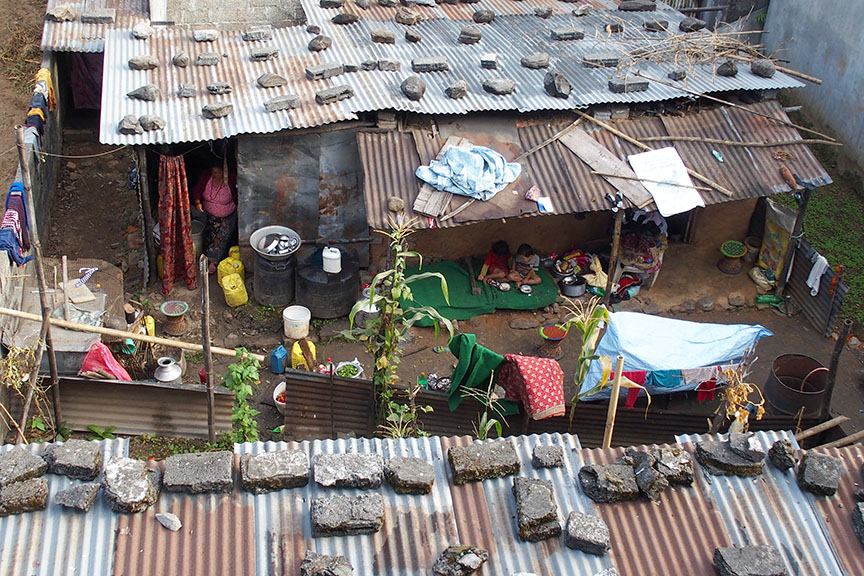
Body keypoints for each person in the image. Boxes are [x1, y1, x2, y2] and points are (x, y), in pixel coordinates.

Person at [192, 158, 238, 273]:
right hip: (209, 214)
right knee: (209, 237)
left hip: (226, 217)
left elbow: (239, 194)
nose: (215, 174)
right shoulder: (206, 176)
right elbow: (197, 190)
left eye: (217, 172)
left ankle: (214, 262)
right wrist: (198, 202)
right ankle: (207, 257)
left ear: (224, 171)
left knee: (220, 239)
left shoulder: (231, 178)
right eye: (213, 172)